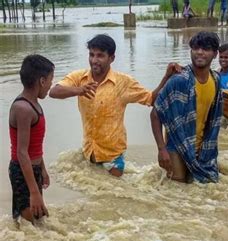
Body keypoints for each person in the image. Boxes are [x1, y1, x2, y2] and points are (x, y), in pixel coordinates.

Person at [49, 34, 162, 177]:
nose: (94, 60)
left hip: (113, 156)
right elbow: (54, 92)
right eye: (91, 55)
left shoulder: (123, 82)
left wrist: (166, 77)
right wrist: (79, 90)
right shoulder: (79, 78)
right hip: (89, 151)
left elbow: (151, 99)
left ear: (112, 58)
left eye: (100, 56)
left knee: (114, 194)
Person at [150, 32, 223, 184]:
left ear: (215, 54)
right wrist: (161, 149)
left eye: (206, 48)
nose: (200, 52)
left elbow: (214, 116)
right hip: (176, 146)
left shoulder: (215, 79)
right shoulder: (179, 80)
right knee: (178, 189)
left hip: (203, 147)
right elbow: (155, 114)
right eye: (196, 48)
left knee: (203, 191)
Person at [9, 55, 54, 222]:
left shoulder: (34, 103)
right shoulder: (23, 108)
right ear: (42, 81)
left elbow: (34, 146)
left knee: (38, 220)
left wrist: (42, 169)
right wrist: (34, 192)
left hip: (33, 170)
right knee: (29, 223)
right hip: (21, 172)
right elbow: (21, 152)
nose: (51, 85)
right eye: (50, 80)